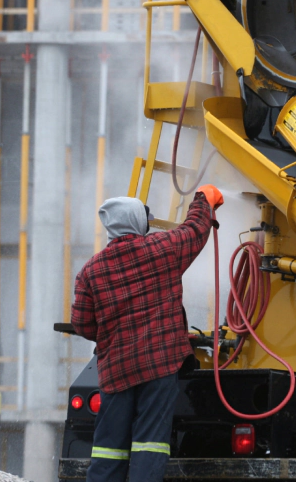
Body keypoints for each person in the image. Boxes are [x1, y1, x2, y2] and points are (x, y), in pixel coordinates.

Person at [71, 185, 224, 482]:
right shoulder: (161, 249)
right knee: (149, 445)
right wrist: (203, 199)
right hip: (158, 367)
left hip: (115, 372)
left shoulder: (91, 270)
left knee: (107, 450)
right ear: (137, 222)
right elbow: (195, 229)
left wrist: (113, 336)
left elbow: (82, 324)